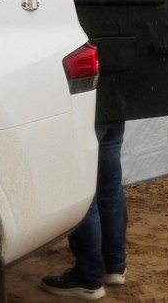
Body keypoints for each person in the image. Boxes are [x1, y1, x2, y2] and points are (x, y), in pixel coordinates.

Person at [41, 122, 128, 299]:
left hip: (84, 112)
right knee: (110, 188)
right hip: (115, 110)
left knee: (81, 191)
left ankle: (89, 278)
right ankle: (114, 266)